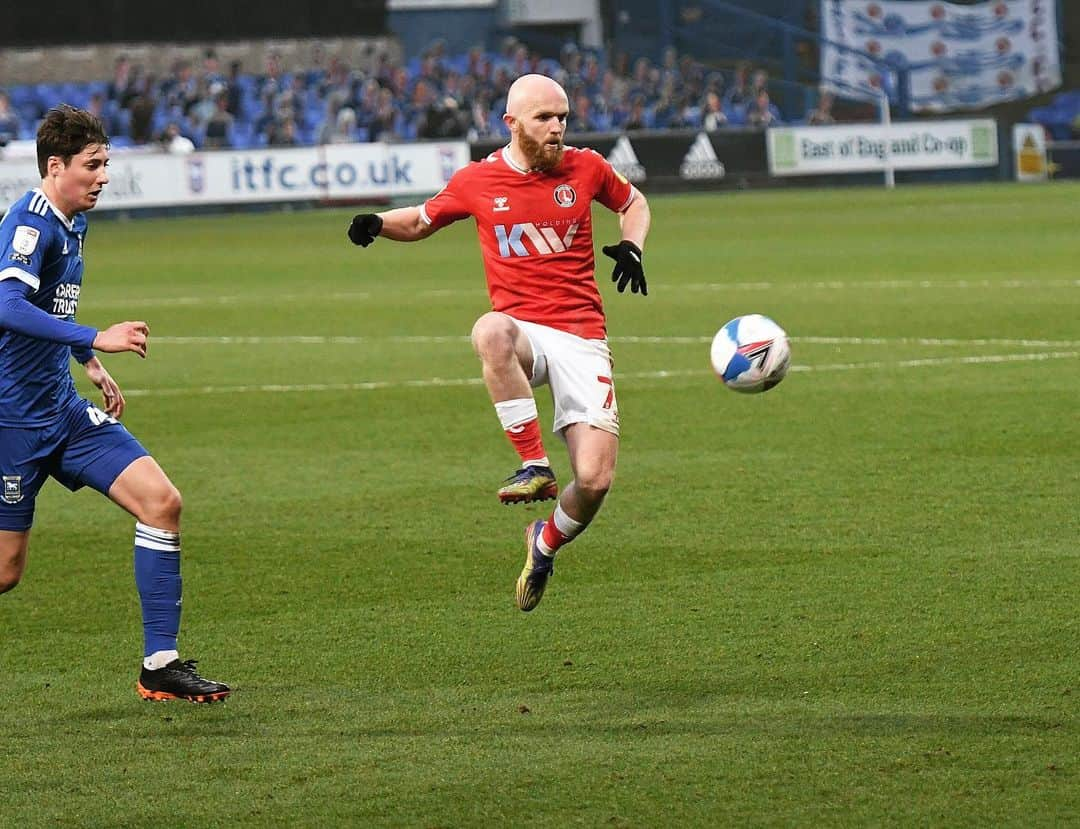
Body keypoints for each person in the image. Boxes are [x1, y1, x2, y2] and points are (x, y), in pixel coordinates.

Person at [346, 74, 650, 612]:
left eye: (562, 117)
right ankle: (533, 465)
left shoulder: (586, 167)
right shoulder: (477, 180)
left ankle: (545, 541)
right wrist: (377, 222)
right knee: (490, 329)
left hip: (581, 334)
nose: (557, 128)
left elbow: (635, 203)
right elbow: (419, 221)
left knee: (596, 480)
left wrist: (632, 246)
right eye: (544, 119)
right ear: (511, 123)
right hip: (523, 333)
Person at [0, 105, 230, 703]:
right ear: (57, 165)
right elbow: (6, 306)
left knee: (161, 503)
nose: (104, 176)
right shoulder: (31, 224)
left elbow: (51, 311)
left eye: (107, 164)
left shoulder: (74, 221)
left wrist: (89, 364)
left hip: (64, 412)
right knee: (6, 571)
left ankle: (161, 665)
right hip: (12, 425)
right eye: (93, 165)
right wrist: (95, 338)